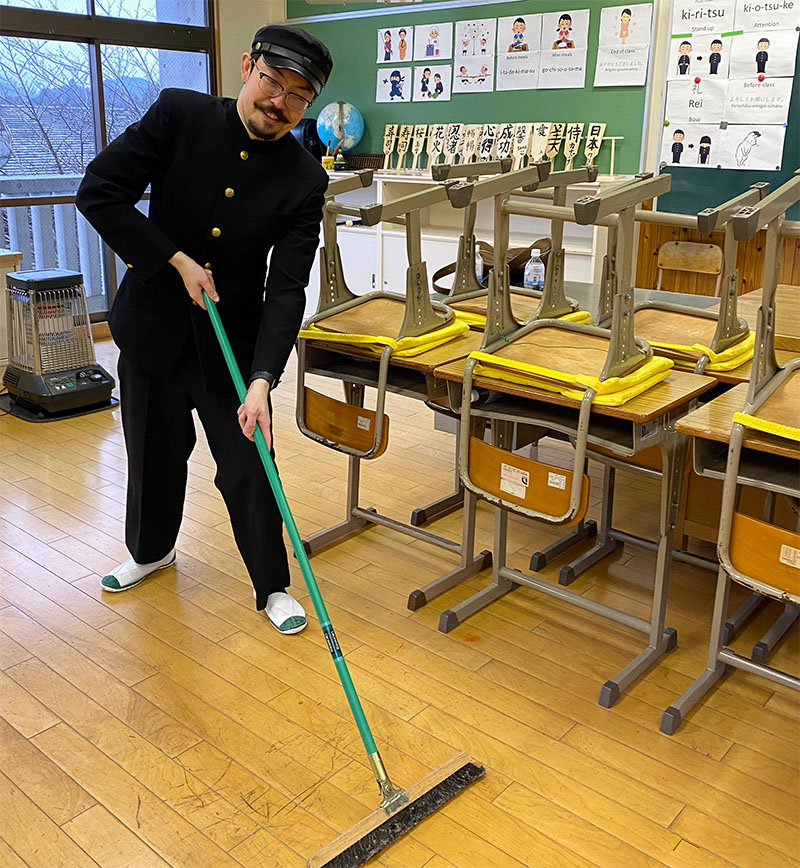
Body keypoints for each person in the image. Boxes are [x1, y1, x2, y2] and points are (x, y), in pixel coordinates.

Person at [75, 24, 333, 635]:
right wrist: (174, 259)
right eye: (273, 82)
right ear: (248, 66)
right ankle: (150, 551)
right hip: (152, 326)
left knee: (249, 463)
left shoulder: (304, 179)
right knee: (152, 449)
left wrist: (265, 379)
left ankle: (271, 585)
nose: (280, 102)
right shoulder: (178, 114)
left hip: (232, 342)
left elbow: (286, 288)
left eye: (298, 96)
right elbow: (100, 192)